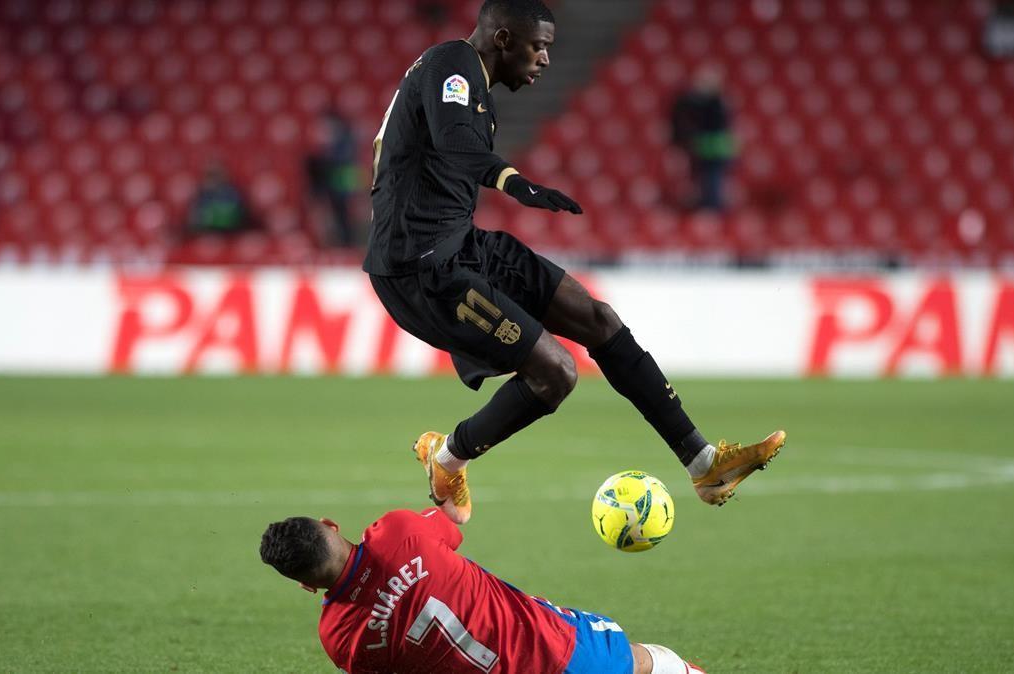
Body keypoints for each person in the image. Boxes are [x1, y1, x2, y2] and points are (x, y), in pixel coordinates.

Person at [364, 0, 785, 525]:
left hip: (460, 245)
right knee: (556, 374)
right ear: (501, 39)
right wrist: (513, 181)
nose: (544, 60)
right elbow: (454, 145)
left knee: (598, 320)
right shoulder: (452, 63)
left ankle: (704, 464)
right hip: (422, 268)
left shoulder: (471, 85)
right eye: (538, 46)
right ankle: (446, 457)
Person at [260, 508, 707, 673]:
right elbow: (456, 514)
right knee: (649, 661)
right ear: (330, 525)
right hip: (558, 653)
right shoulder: (396, 531)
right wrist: (444, 469)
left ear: (304, 584)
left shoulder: (338, 639)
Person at [670, 66, 736, 211]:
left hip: (715, 148)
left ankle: (712, 207)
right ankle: (705, 205)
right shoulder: (703, 101)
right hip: (704, 147)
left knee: (713, 180)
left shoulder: (716, 102)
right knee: (702, 179)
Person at [306, 110, 361, 247]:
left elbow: (352, 187)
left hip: (342, 200)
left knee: (346, 222)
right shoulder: (314, 160)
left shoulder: (347, 153)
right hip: (327, 197)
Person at [184, 161, 256, 236]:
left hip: (232, 235)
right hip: (206, 236)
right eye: (210, 175)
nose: (213, 179)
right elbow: (193, 223)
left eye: (216, 175)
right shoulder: (200, 195)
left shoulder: (235, 193)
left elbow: (242, 219)